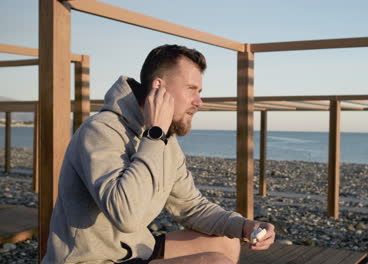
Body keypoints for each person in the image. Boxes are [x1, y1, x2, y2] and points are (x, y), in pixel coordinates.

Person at [42, 44, 275, 264]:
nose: (199, 101)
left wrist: (244, 225)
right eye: (191, 89)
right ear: (158, 87)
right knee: (215, 262)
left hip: (135, 250)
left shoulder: (164, 139)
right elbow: (126, 215)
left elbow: (191, 207)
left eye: (199, 91)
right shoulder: (100, 131)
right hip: (94, 259)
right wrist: (155, 135)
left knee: (226, 242)